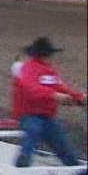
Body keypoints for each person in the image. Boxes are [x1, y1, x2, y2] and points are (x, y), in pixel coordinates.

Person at [11, 37, 85, 167]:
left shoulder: (49, 71)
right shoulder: (28, 68)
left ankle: (73, 166)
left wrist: (78, 97)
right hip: (29, 114)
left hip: (47, 117)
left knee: (60, 140)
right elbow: (32, 89)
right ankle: (23, 161)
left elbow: (61, 87)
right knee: (33, 130)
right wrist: (54, 95)